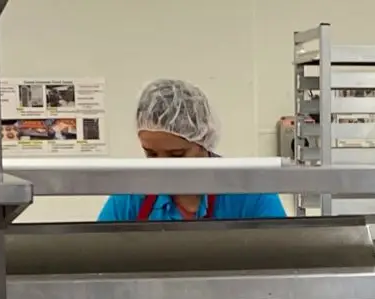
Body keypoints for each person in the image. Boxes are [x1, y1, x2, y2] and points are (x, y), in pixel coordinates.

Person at [97, 79, 286, 222]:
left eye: (176, 155)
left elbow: (282, 260)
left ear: (203, 141)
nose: (162, 167)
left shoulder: (251, 194)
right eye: (151, 154)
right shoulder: (131, 199)